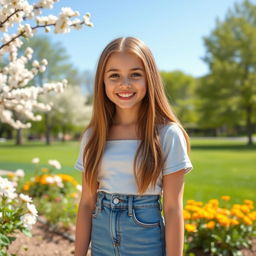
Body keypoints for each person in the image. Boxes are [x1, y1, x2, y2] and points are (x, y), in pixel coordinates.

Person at [74, 36, 193, 256]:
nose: (125, 84)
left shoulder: (167, 134)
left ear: (150, 79)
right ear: (103, 81)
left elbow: (173, 209)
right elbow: (86, 204)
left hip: (145, 240)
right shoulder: (93, 136)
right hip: (101, 241)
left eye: (135, 75)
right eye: (114, 75)